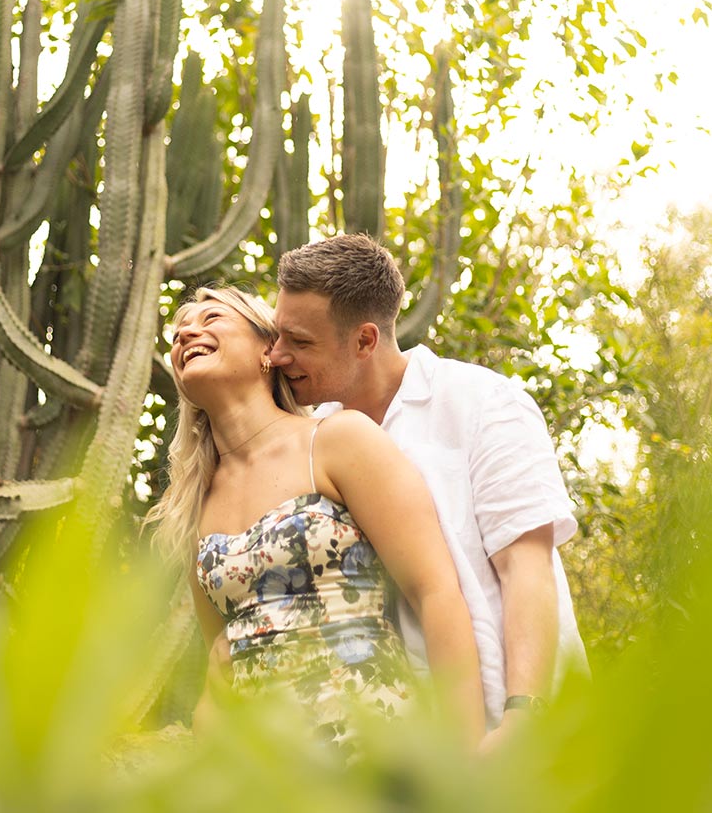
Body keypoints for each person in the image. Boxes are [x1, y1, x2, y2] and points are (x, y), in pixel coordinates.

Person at [271, 233, 587, 745]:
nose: (278, 355)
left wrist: (523, 717)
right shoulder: (312, 434)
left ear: (365, 341)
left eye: (300, 342)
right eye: (278, 335)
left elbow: (527, 568)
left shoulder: (483, 403)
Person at [150, 285, 485, 748]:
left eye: (210, 319)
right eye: (179, 331)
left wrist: (463, 761)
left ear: (268, 350)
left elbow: (436, 591)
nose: (187, 331)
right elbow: (220, 656)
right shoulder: (194, 506)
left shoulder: (338, 440)